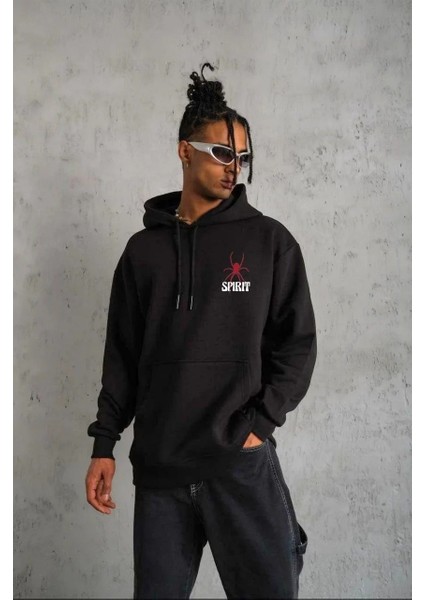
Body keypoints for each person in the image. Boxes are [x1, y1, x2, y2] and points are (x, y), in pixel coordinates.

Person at [85, 61, 317, 599]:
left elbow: (297, 346)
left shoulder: (270, 243)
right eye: (221, 153)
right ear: (184, 150)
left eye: (243, 157)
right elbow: (122, 358)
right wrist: (104, 444)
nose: (234, 167)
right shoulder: (142, 253)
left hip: (239, 465)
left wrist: (259, 424)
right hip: (161, 472)